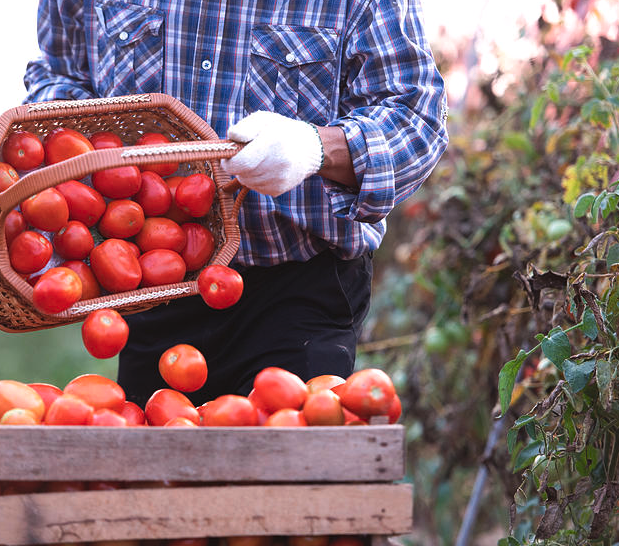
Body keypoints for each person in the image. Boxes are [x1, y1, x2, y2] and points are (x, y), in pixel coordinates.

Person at [23, 0, 449, 406]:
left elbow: (417, 119)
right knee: (157, 472)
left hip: (297, 291)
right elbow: (60, 72)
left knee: (285, 468)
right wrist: (67, 170)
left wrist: (315, 149)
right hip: (149, 284)